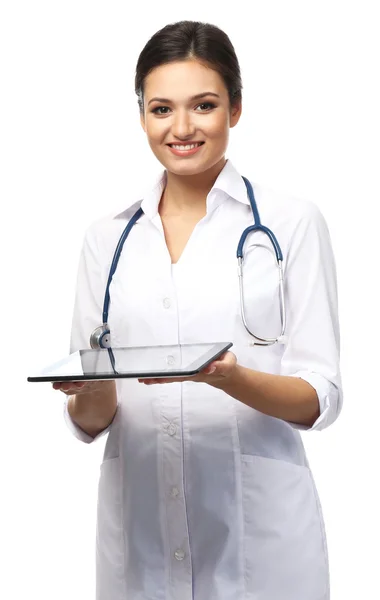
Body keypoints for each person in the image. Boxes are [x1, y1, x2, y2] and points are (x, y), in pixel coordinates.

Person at [53, 20, 343, 600]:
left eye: (203, 105)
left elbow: (321, 398)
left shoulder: (290, 225)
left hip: (260, 546)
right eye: (161, 109)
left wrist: (229, 378)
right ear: (141, 116)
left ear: (235, 109)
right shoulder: (105, 240)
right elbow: (94, 419)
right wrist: (87, 392)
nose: (181, 128)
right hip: (140, 543)